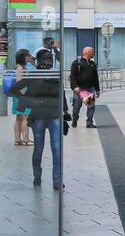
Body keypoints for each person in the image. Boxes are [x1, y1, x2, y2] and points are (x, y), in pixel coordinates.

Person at [15, 47, 69, 190]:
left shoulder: (54, 76)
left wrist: (65, 111)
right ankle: (37, 176)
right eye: (45, 59)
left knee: (56, 148)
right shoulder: (33, 76)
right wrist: (28, 102)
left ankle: (56, 180)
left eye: (49, 59)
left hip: (53, 115)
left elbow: (61, 93)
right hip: (39, 116)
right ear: (38, 61)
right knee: (39, 148)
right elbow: (14, 89)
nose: (47, 62)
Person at [69, 46, 100, 128]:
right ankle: (74, 120)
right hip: (79, 90)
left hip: (89, 88)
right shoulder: (76, 62)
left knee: (91, 106)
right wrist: (75, 86)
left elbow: (95, 77)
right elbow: (72, 76)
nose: (94, 53)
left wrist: (97, 89)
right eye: (92, 52)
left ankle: (89, 122)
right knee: (76, 107)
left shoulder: (93, 64)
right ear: (87, 53)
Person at [10, 49, 32, 146]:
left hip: (17, 96)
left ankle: (17, 140)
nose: (29, 57)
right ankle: (26, 140)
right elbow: (20, 84)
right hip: (22, 96)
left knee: (19, 118)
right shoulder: (20, 69)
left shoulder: (18, 68)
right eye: (28, 55)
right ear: (24, 57)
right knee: (25, 118)